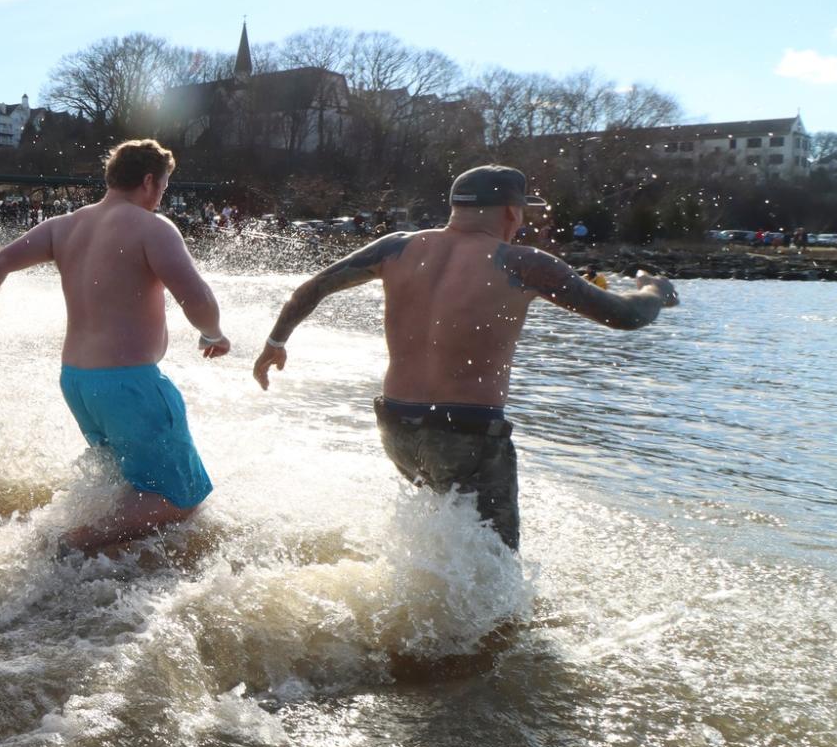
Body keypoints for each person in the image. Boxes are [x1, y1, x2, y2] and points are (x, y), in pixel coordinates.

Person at [251, 165, 679, 550]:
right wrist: (654, 289)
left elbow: (314, 287)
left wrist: (276, 342)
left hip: (397, 425)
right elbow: (624, 316)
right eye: (523, 213)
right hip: (467, 434)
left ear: (456, 207)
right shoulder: (521, 262)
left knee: (437, 541)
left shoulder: (397, 247)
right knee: (496, 567)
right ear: (512, 212)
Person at [0, 139, 231, 554]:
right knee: (179, 497)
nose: (161, 197)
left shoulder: (64, 226)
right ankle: (71, 544)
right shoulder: (151, 227)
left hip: (78, 382)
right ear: (150, 181)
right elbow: (196, 297)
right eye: (165, 187)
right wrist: (213, 332)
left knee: (127, 483)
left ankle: (99, 554)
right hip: (129, 384)